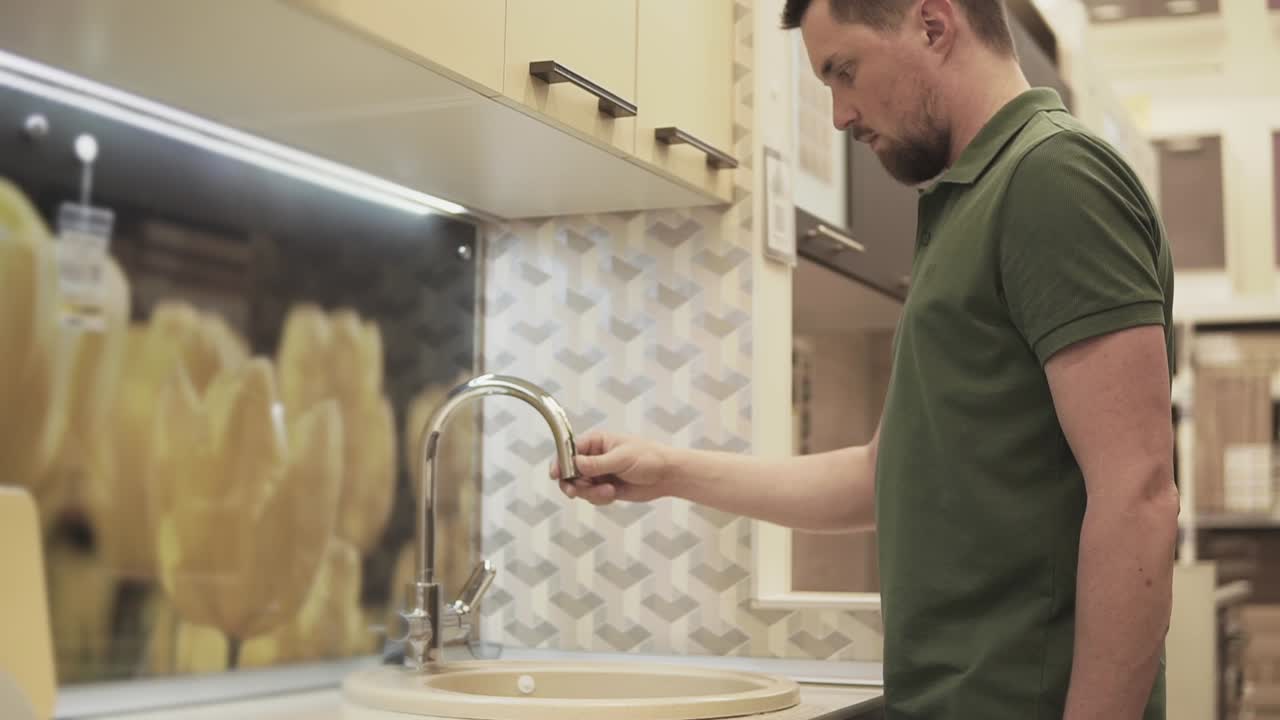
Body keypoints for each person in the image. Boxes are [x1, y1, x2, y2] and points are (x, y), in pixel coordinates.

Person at [552, 1, 1179, 718]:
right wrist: (668, 470)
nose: (840, 115)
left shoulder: (1054, 177)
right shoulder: (974, 199)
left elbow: (1139, 496)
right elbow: (879, 476)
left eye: (843, 71)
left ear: (934, 25)